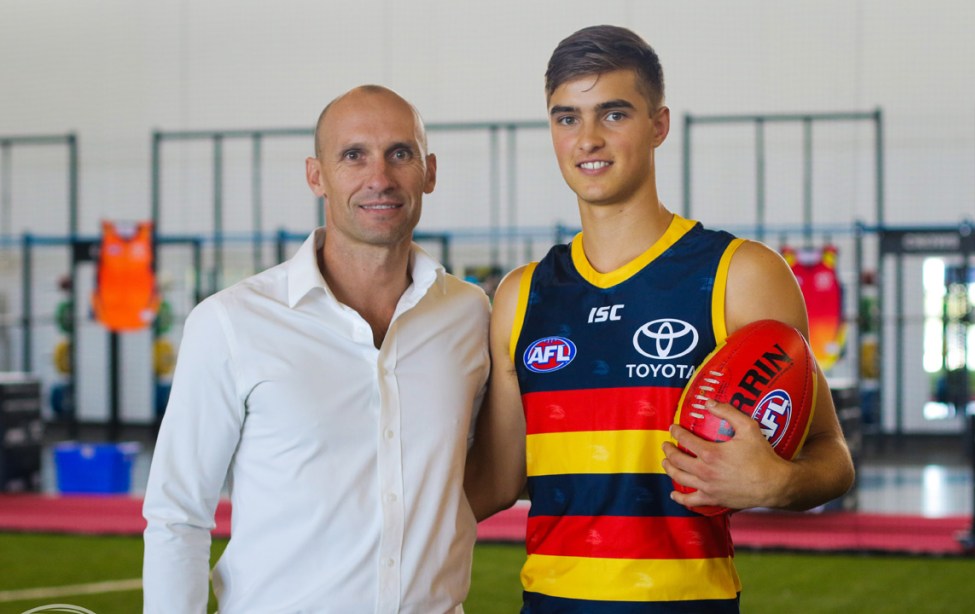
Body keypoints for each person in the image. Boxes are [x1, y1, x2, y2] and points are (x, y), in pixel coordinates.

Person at [464, 25, 855, 612]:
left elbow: (832, 458)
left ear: (659, 125)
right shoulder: (521, 297)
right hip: (548, 602)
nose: (587, 139)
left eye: (613, 114)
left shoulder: (740, 275)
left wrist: (779, 483)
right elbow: (495, 480)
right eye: (566, 118)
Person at [143, 85, 490, 613]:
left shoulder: (469, 315)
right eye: (354, 155)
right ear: (316, 176)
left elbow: (504, 465)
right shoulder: (231, 323)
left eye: (401, 153)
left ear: (430, 172)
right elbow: (178, 514)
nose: (380, 177)